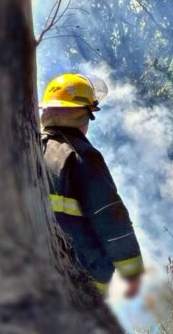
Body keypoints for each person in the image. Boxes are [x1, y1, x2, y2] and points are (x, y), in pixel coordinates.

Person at [39, 73, 145, 297]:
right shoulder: (82, 156)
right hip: (81, 281)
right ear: (82, 115)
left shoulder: (31, 149)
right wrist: (133, 273)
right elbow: (110, 217)